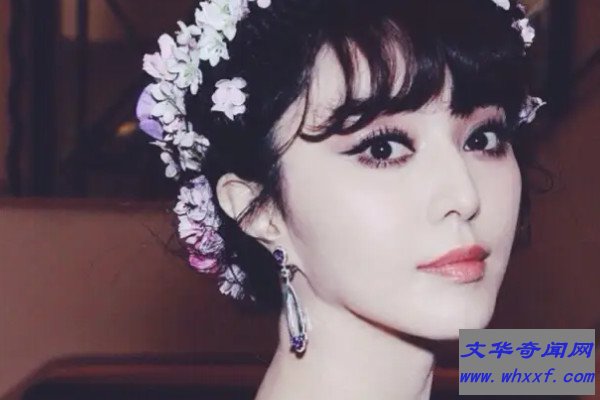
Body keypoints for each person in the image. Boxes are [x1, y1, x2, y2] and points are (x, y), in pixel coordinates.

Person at [136, 0, 545, 398]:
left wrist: (567, 364)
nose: (465, 195)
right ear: (259, 210)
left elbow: (507, 362)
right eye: (383, 149)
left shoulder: (448, 351)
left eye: (482, 138)